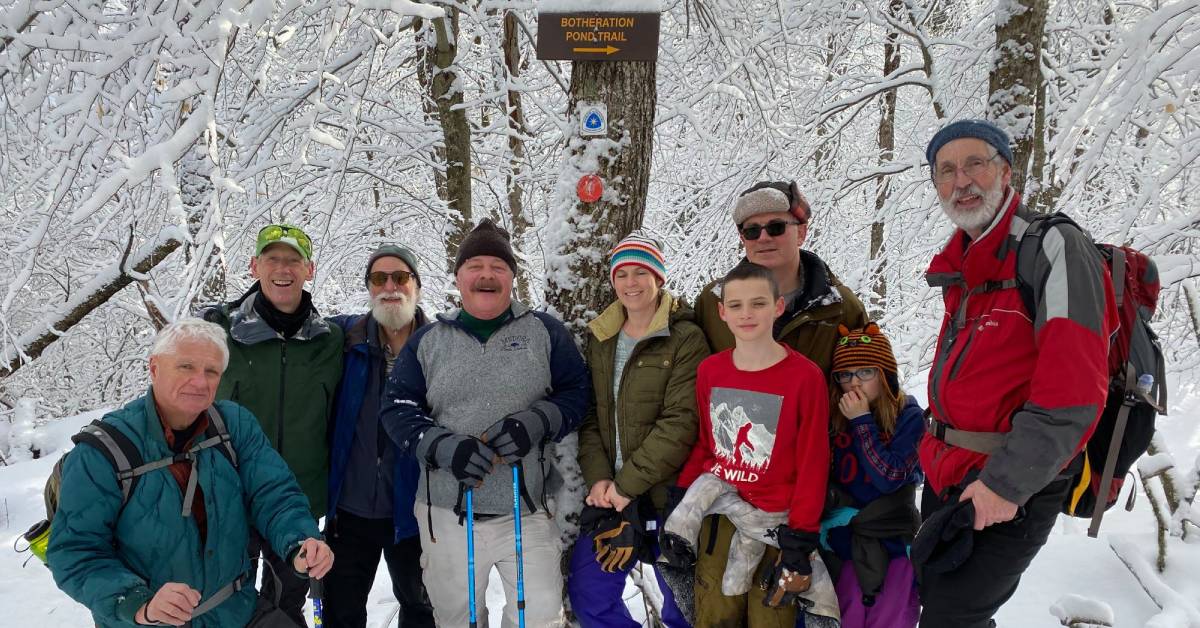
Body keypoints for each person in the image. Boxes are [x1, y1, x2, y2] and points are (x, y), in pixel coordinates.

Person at [918, 119, 1116, 627]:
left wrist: (1005, 487)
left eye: (974, 164)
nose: (961, 181)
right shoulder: (962, 265)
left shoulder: (1052, 247)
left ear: (1006, 173)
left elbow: (1072, 392)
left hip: (1007, 485)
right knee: (943, 608)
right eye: (947, 171)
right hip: (947, 476)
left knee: (950, 617)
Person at [48, 319, 334, 627]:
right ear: (154, 368)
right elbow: (75, 551)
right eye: (186, 366)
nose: (200, 381)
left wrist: (300, 540)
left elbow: (274, 494)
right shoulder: (103, 452)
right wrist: (138, 603)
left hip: (237, 612)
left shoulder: (233, 425)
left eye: (211, 371)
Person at [381, 218, 591, 627]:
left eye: (499, 267)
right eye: (475, 265)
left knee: (538, 619)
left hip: (528, 510)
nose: (486, 275)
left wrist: (537, 421)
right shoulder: (429, 340)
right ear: (458, 277)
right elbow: (397, 408)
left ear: (512, 277)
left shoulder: (544, 331)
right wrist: (443, 446)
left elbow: (577, 394)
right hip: (447, 513)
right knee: (457, 620)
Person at [670, 261, 830, 627]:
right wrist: (680, 496)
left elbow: (813, 462)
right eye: (736, 305)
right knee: (713, 614)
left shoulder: (804, 377)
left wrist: (801, 537)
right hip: (719, 517)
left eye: (758, 303)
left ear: (777, 307)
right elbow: (708, 443)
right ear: (722, 312)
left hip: (777, 526)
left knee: (770, 617)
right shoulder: (711, 370)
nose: (747, 314)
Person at [200, 223, 343, 625]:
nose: (283, 269)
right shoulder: (219, 333)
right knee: (228, 604)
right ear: (254, 266)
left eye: (293, 260)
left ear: (309, 269)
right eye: (272, 259)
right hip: (229, 499)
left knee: (287, 606)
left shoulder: (329, 340)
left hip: (298, 503)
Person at [569, 232, 710, 628]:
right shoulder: (602, 338)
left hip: (670, 496)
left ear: (659, 278)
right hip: (611, 496)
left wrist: (625, 485)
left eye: (641, 273)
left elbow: (681, 422)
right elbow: (592, 417)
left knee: (680, 607)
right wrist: (599, 478)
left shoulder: (686, 337)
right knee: (589, 597)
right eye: (622, 274)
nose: (630, 283)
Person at [325, 245, 435, 628]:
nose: (390, 286)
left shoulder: (439, 347)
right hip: (351, 511)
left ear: (417, 286)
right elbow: (289, 327)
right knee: (342, 613)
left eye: (401, 277)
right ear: (369, 288)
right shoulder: (343, 339)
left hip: (416, 509)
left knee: (422, 611)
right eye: (379, 278)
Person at [694, 180, 867, 373]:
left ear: (801, 232)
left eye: (776, 227)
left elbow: (876, 384)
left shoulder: (841, 309)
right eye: (752, 231)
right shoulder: (712, 302)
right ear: (743, 239)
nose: (764, 238)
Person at [822, 323, 923, 628]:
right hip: (841, 542)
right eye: (845, 374)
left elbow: (890, 477)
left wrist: (862, 422)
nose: (854, 383)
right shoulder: (832, 416)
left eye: (865, 372)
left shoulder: (908, 416)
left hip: (892, 542)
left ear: (884, 374)